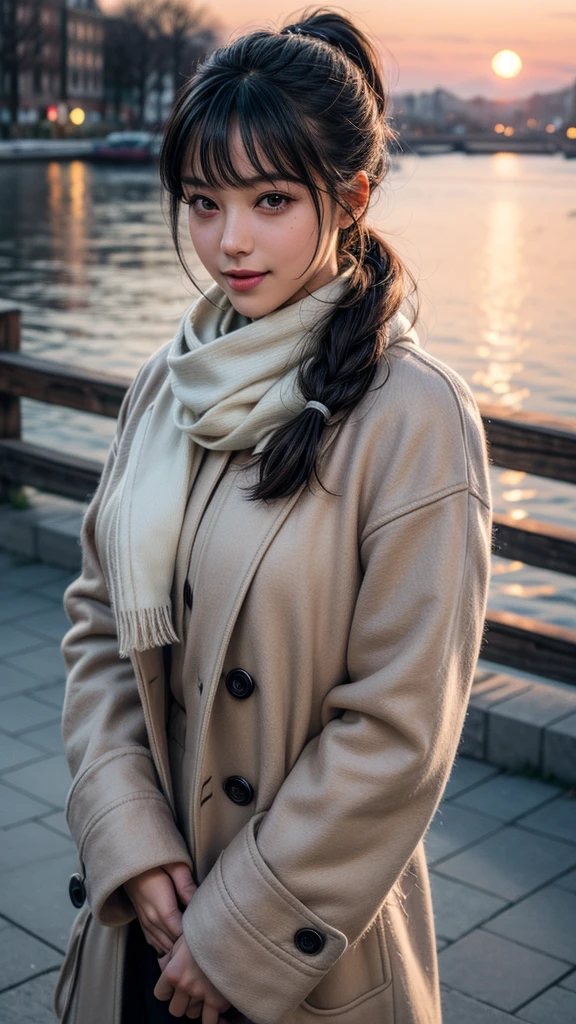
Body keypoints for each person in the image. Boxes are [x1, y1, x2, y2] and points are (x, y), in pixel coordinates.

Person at [53, 7, 493, 1024]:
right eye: (203, 202)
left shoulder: (413, 418)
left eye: (271, 199)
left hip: (303, 952)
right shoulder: (168, 385)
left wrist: (238, 927)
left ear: (351, 199)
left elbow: (399, 726)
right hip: (143, 925)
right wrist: (131, 838)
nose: (230, 241)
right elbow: (95, 623)